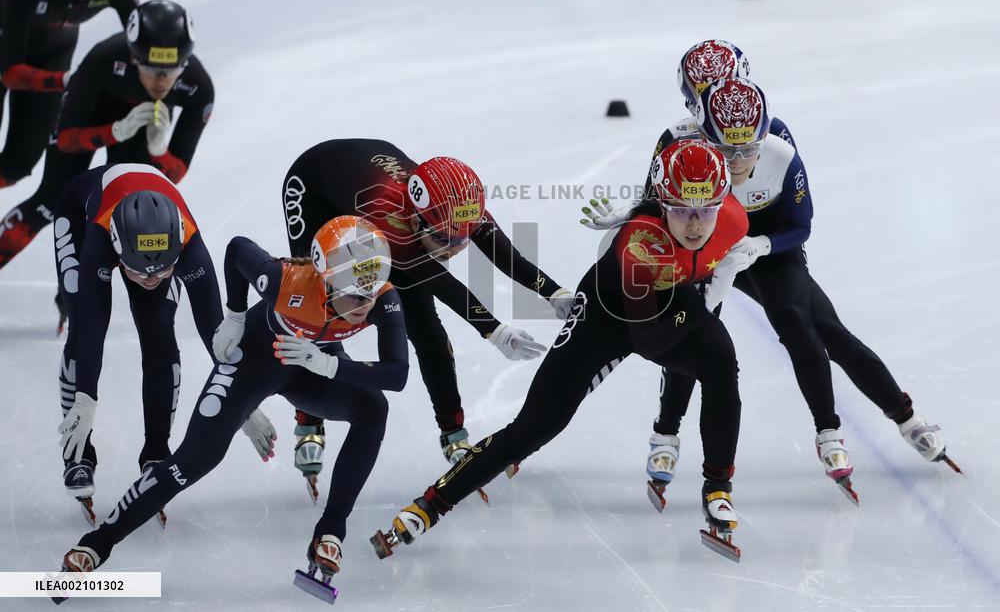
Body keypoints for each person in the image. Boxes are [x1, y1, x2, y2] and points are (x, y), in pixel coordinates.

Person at [585, 64, 959, 505]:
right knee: (692, 336)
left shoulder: (780, 146)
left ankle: (874, 423)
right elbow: (659, 201)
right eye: (727, 151)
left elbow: (802, 223)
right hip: (704, 246)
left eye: (750, 151)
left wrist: (761, 244)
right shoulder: (680, 143)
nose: (739, 162)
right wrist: (633, 214)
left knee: (809, 324)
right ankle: (666, 434)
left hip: (764, 249)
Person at [371, 140, 751, 563]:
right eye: (681, 209)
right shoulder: (640, 244)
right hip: (607, 319)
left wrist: (706, 289)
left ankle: (718, 486)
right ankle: (428, 506)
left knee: (721, 361)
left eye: (706, 209)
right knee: (536, 426)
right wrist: (703, 300)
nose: (696, 224)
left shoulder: (734, 220)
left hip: (671, 303)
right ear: (662, 203)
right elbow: (649, 341)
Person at [60, 215, 408, 588]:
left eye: (372, 291)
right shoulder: (286, 281)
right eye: (356, 294)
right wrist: (235, 316)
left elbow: (396, 375)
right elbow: (237, 249)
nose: (365, 303)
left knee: (374, 410)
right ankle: (97, 544)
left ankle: (331, 531)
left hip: (310, 367)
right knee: (195, 460)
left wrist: (325, 364)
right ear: (326, 280)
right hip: (253, 362)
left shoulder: (382, 297)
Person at [268, 138, 571, 497]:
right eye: (444, 240)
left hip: (367, 178)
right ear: (416, 219)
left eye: (462, 240)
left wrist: (553, 293)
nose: (453, 250)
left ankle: (453, 433)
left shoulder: (457, 208)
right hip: (314, 185)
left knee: (427, 331)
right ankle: (309, 418)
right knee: (321, 306)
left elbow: (502, 251)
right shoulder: (393, 221)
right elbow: (443, 283)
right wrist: (495, 330)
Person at [54, 163, 222, 523]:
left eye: (163, 271)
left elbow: (215, 331)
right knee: (82, 324)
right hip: (81, 210)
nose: (150, 279)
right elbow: (93, 329)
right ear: (117, 252)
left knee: (160, 332)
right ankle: (78, 453)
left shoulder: (189, 241)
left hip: (145, 235)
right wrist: (84, 400)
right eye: (138, 272)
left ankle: (157, 451)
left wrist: (243, 400)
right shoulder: (100, 237)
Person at [0, 0, 213, 270]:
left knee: (133, 208)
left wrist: (159, 150)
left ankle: (77, 296)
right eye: (150, 69)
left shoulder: (199, 86)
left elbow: (173, 177)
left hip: (140, 127)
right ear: (133, 57)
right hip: (89, 119)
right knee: (51, 201)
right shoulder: (103, 58)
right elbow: (66, 139)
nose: (161, 81)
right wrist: (115, 131)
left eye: (171, 71)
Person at [0, 0, 137, 187]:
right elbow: (10, 73)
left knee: (18, 164)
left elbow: (143, 39)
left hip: (53, 55)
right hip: (7, 52)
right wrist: (63, 80)